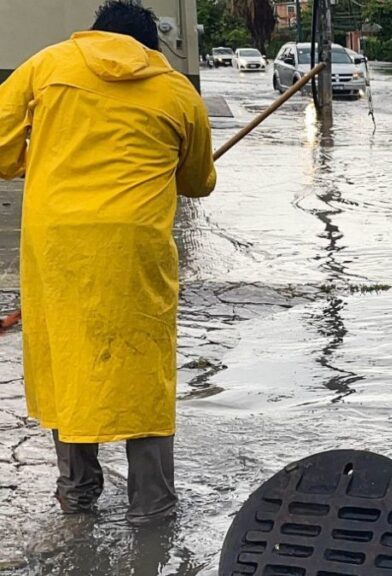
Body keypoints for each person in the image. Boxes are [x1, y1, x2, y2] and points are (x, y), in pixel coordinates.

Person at [0, 1, 216, 524]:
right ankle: (153, 507)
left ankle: (77, 495)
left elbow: (2, 153)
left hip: (58, 245)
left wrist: (44, 154)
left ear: (92, 34)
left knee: (68, 358)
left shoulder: (47, 66)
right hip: (134, 246)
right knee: (143, 368)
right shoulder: (177, 92)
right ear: (151, 47)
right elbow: (198, 182)